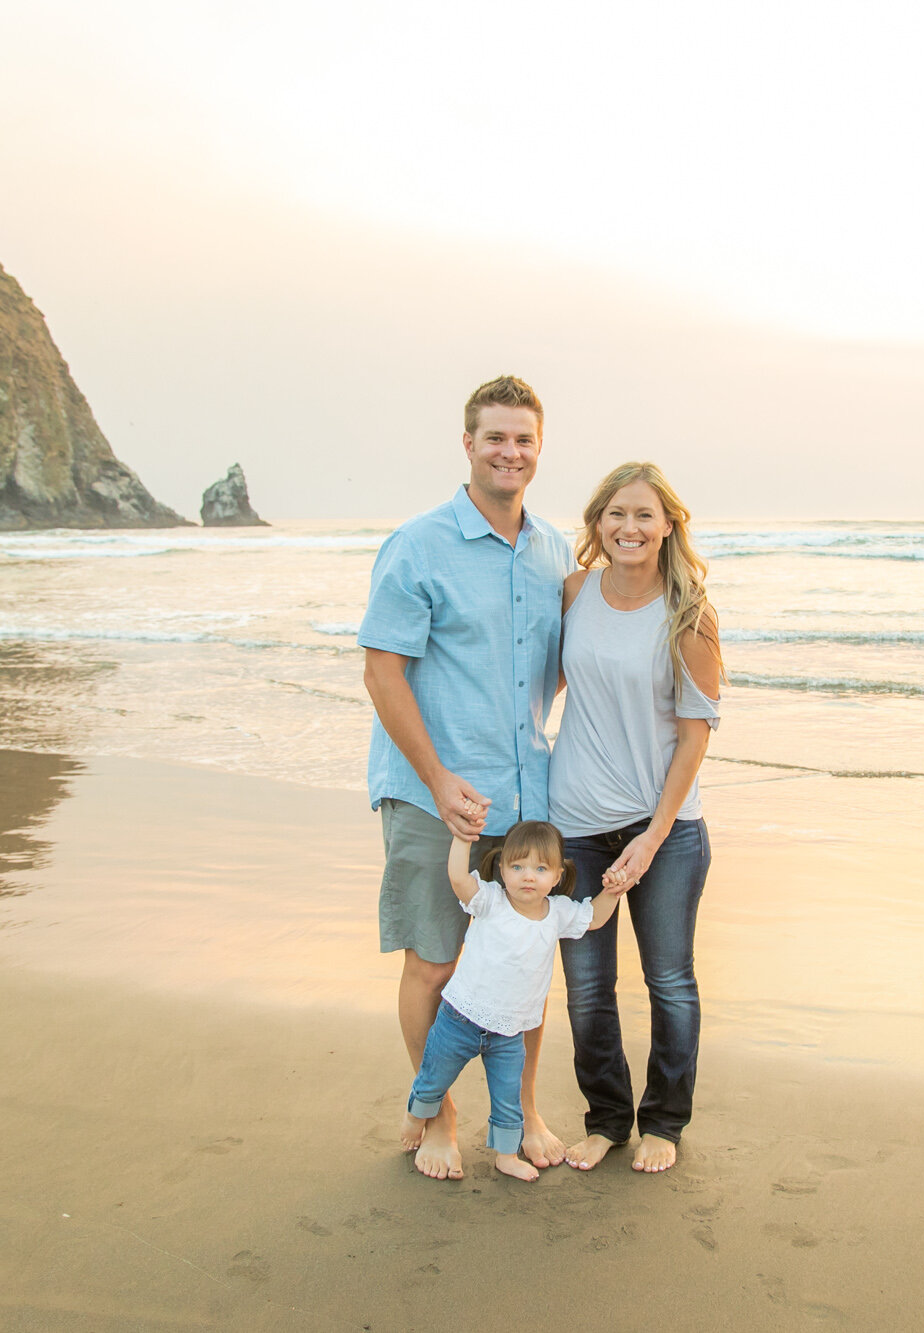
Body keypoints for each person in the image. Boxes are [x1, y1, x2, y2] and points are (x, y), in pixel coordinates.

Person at [359, 376, 575, 1180]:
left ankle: (521, 1112)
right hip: (431, 795)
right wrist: (439, 773)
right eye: (495, 437)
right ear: (468, 444)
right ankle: (441, 1114)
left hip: (525, 804)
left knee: (521, 964)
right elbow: (383, 672)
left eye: (523, 439)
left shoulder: (554, 551)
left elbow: (554, 669)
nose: (509, 452)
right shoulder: (418, 545)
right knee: (437, 964)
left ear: (538, 448)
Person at [550, 461, 723, 1174]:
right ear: (597, 523)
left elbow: (695, 734)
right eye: (616, 513)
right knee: (588, 986)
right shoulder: (574, 591)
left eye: (644, 515)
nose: (629, 527)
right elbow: (538, 677)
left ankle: (664, 1122)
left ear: (668, 525)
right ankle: (607, 1119)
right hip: (575, 825)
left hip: (667, 832)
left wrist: (652, 838)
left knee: (669, 980)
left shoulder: (689, 614)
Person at [403, 820, 623, 1181]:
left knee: (508, 1099)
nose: (527, 877)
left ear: (557, 875)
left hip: (509, 1034)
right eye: (517, 866)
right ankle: (417, 1116)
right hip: (460, 1018)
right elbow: (459, 879)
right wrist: (461, 839)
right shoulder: (490, 900)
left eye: (540, 869)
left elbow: (595, 918)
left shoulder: (558, 913)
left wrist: (614, 890)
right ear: (501, 868)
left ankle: (506, 1155)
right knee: (433, 1077)